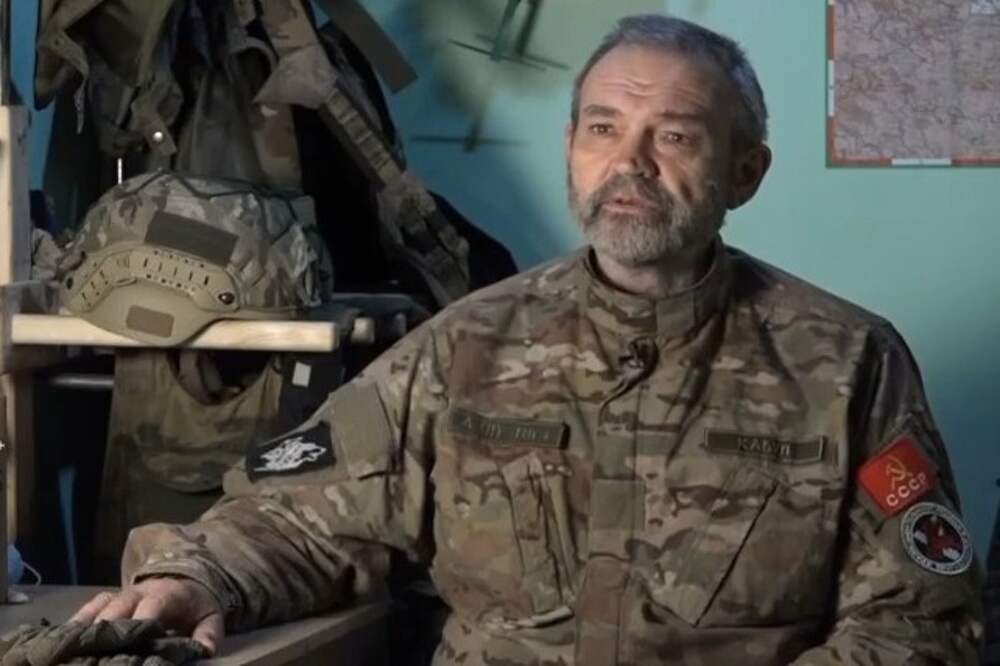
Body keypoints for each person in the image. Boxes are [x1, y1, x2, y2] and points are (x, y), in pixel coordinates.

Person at [71, 14, 984, 665]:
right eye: (603, 129)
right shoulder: (466, 346)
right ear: (572, 148)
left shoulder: (847, 362)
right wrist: (198, 578)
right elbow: (299, 517)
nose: (629, 164)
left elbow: (921, 617)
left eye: (674, 137)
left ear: (746, 173)